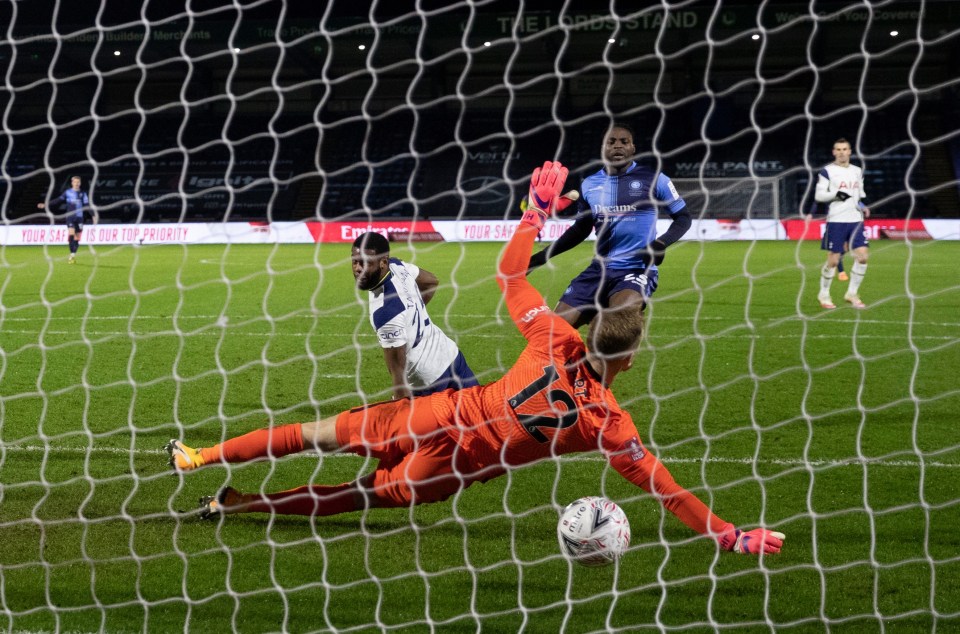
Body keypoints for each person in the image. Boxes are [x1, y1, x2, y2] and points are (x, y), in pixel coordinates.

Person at [165, 161, 784, 557]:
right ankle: (241, 504)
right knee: (357, 497)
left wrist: (535, 212)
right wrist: (731, 536)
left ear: (593, 331)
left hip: (439, 412)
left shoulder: (552, 338)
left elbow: (510, 273)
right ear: (630, 357)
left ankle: (200, 457)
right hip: (458, 468)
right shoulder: (609, 424)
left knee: (314, 432)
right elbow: (668, 491)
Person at [526, 123, 692, 327]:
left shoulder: (655, 179)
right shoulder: (589, 184)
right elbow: (580, 230)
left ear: (633, 148)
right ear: (603, 148)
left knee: (612, 326)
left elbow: (683, 217)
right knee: (554, 331)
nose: (617, 146)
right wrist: (540, 258)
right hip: (599, 270)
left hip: (637, 270)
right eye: (611, 142)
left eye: (624, 142)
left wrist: (661, 243)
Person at [351, 231, 478, 399]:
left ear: (383, 262)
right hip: (450, 355)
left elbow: (398, 373)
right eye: (355, 262)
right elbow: (431, 281)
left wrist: (400, 406)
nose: (358, 268)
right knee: (480, 411)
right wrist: (412, 312)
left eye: (366, 263)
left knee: (439, 425)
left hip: (428, 380)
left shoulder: (385, 312)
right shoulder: (397, 265)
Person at [814, 138, 871, 309]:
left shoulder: (857, 171)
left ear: (850, 152)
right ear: (834, 152)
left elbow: (858, 194)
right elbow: (819, 196)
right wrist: (837, 195)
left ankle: (851, 293)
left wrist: (861, 205)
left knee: (863, 257)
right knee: (833, 260)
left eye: (844, 149)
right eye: (838, 149)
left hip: (856, 221)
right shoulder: (827, 171)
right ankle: (824, 295)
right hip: (837, 220)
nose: (841, 152)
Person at [38, 175, 96, 264]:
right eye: (75, 182)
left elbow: (87, 206)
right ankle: (71, 256)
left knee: (77, 238)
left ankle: (72, 255)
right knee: (71, 233)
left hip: (80, 218)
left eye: (78, 182)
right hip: (70, 217)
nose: (76, 183)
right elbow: (57, 200)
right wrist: (46, 204)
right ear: (72, 183)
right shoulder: (67, 192)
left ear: (80, 183)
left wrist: (93, 215)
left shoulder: (83, 194)